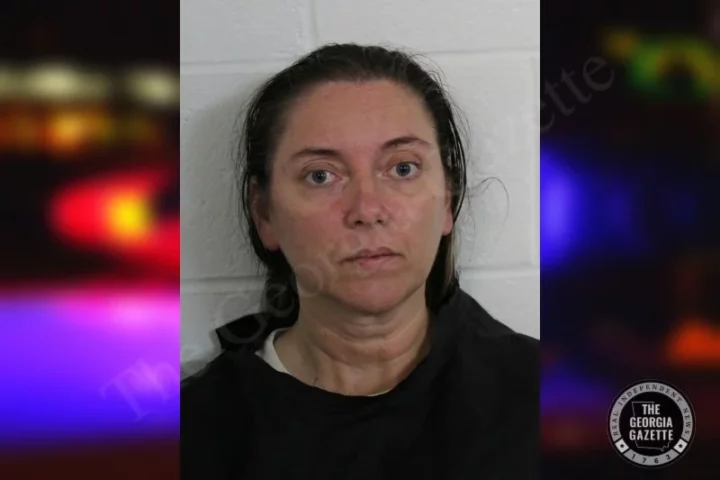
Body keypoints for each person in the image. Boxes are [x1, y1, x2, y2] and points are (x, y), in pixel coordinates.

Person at [181, 43, 539, 479]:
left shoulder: (548, 401)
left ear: (447, 199)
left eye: (403, 168)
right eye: (321, 175)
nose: (368, 210)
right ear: (264, 214)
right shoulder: (191, 434)